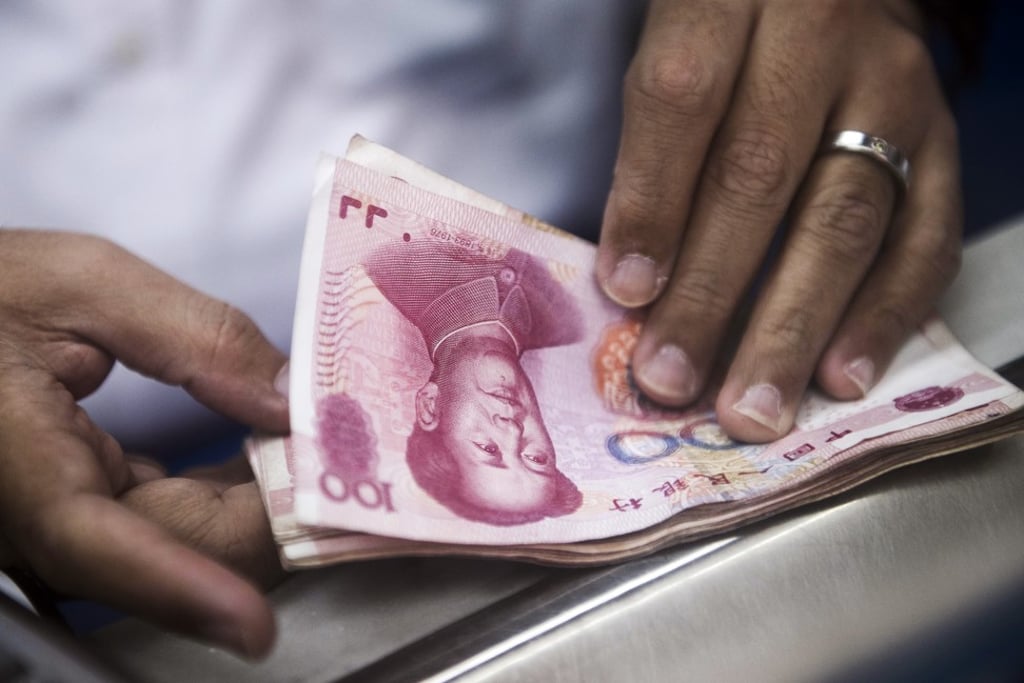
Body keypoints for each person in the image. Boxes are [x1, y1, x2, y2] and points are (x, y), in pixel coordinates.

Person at [0, 0, 978, 660]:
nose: (517, 425)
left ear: (425, 403)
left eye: (487, 444)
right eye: (529, 447)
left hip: (642, 211)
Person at [363, 237, 584, 525]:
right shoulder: (571, 324)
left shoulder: (392, 261)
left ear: (431, 406)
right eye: (536, 459)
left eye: (489, 449)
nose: (513, 429)